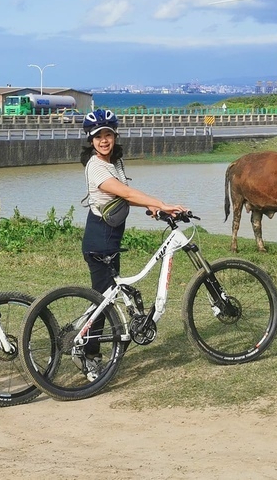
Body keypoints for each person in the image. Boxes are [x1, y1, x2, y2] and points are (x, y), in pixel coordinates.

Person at [79, 108, 186, 380]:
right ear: (90, 141)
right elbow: (125, 192)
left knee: (111, 294)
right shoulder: (96, 166)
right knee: (102, 300)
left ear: (114, 137)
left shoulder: (115, 161)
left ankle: (118, 335)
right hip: (100, 237)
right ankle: (89, 354)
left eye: (108, 135)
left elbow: (123, 197)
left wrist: (153, 209)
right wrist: (160, 203)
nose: (104, 140)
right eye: (98, 136)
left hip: (110, 235)